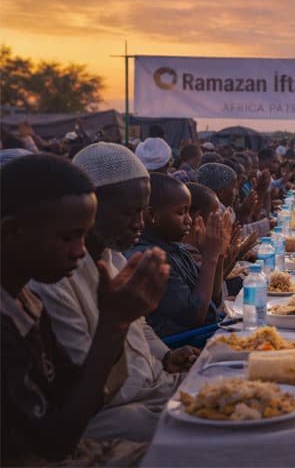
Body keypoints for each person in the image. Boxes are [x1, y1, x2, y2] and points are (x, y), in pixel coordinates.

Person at [29, 143, 193, 444]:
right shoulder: (50, 278)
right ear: (91, 207)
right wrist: (114, 322)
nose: (139, 224)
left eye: (142, 212)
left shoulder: (112, 255)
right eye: (128, 213)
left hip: (152, 387)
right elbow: (87, 378)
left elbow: (139, 324)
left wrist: (166, 356)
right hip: (112, 411)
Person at [129, 174, 229, 339]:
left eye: (188, 212)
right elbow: (195, 316)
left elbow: (213, 299)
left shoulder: (177, 249)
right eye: (181, 212)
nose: (189, 220)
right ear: (152, 215)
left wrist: (218, 255)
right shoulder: (151, 258)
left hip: (204, 330)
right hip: (182, 342)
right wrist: (210, 257)